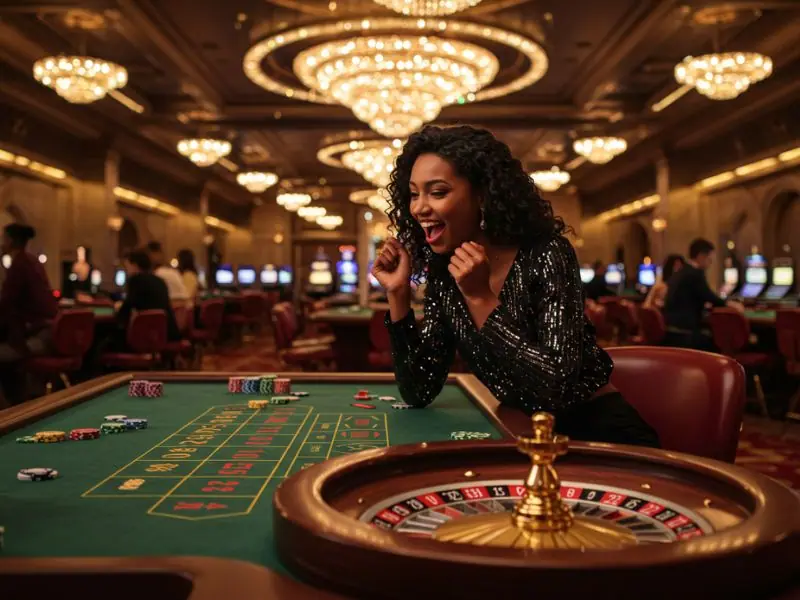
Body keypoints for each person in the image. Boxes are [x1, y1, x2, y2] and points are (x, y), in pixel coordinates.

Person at [372, 125, 659, 448]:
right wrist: (398, 295)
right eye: (413, 193)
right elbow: (418, 389)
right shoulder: (446, 274)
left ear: (482, 195)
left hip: (596, 434)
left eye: (437, 192)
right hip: (519, 433)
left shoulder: (547, 253)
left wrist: (480, 298)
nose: (419, 208)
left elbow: (554, 388)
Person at [0, 224, 58, 405]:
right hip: (48, 332)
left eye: (4, 238)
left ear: (10, 240)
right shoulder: (32, 261)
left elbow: (6, 302)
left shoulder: (20, 264)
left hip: (37, 336)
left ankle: (11, 409)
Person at [662, 238, 743, 350]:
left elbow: (693, 297)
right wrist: (731, 304)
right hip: (686, 334)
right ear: (701, 256)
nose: (710, 263)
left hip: (672, 332)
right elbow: (709, 296)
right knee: (720, 343)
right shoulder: (694, 273)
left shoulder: (682, 271)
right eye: (710, 259)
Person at [115, 248, 181, 343]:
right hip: (166, 334)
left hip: (146, 337)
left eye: (127, 266)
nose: (127, 270)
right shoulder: (159, 281)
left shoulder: (136, 280)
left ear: (134, 265)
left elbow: (126, 309)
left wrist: (117, 311)